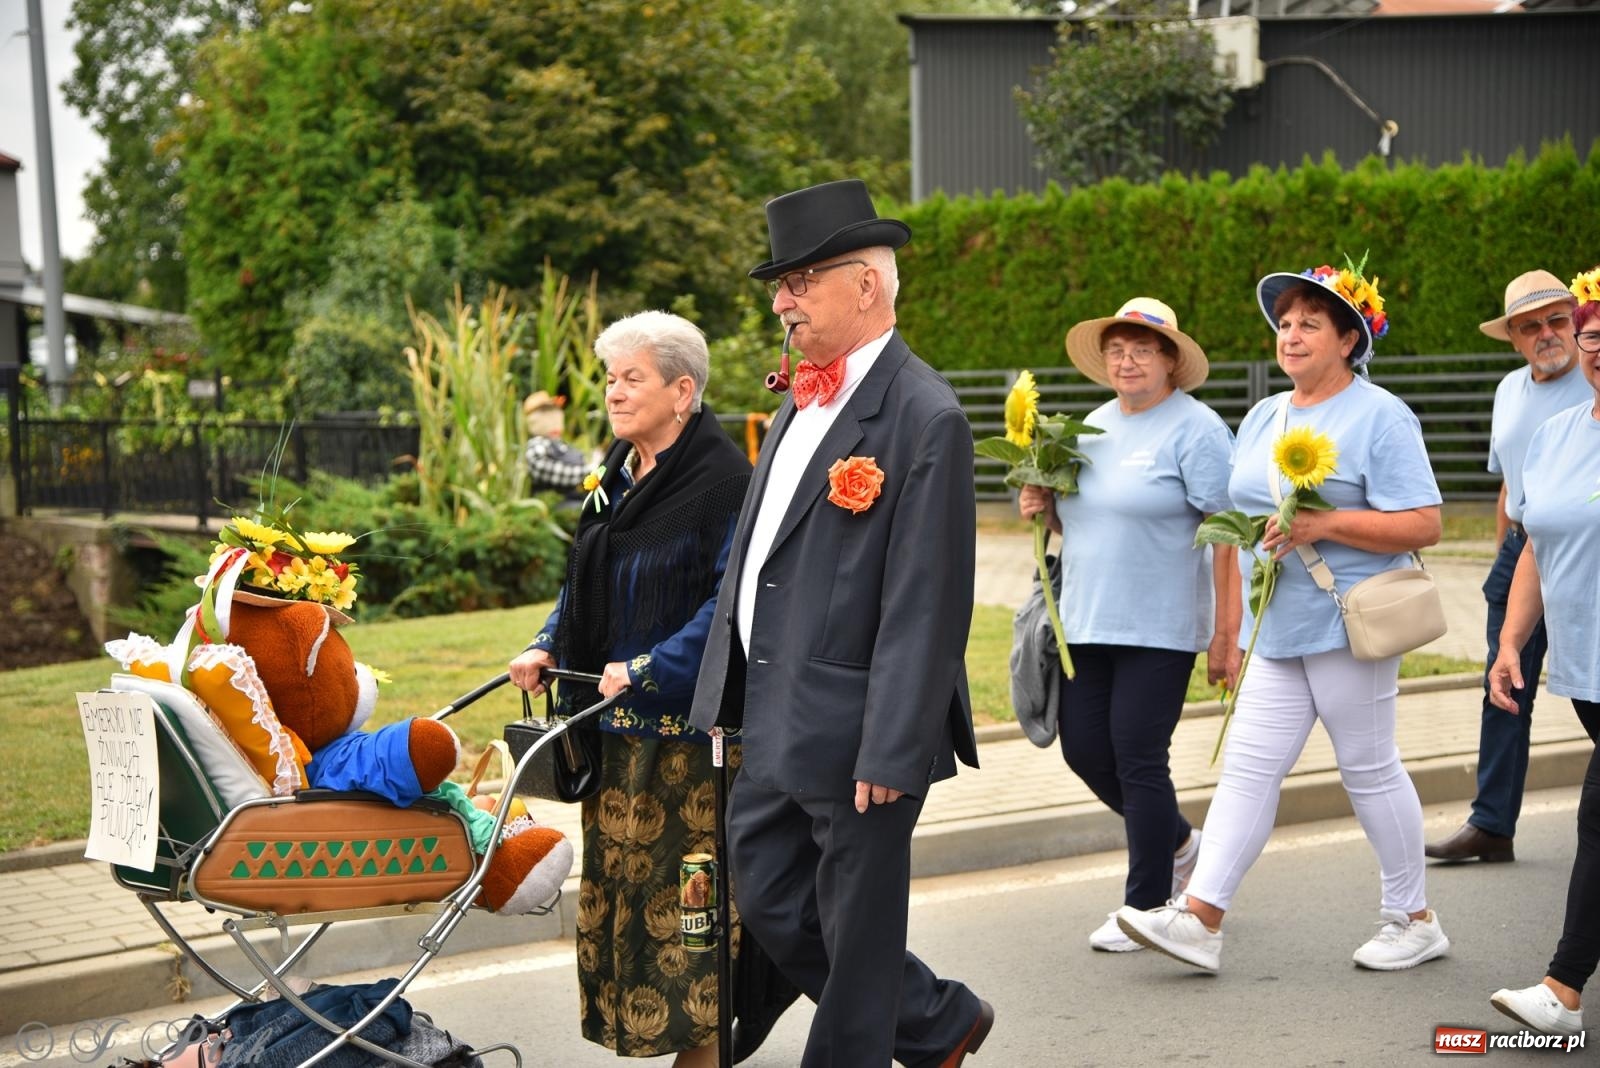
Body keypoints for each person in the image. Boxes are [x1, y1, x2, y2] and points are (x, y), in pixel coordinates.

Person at [688, 179, 993, 1067]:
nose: (782, 302)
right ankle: (938, 1022)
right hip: (774, 709)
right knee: (771, 897)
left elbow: (927, 601)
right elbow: (758, 556)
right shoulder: (798, 398)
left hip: (861, 726)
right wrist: (722, 690)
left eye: (800, 281)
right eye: (779, 285)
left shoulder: (926, 415)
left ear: (865, 284)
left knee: (858, 939)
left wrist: (894, 748)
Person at [1117, 260, 1450, 973]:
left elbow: (1425, 523)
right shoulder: (1267, 414)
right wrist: (1234, 622)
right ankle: (1201, 919)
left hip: (1348, 622)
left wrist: (1324, 524)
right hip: (1278, 625)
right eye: (1286, 323)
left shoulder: (1381, 415)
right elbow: (1242, 517)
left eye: (1310, 324)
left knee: (1368, 769)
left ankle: (1414, 918)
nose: (1290, 335)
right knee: (1247, 768)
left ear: (1349, 340)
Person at [508, 311, 751, 1066]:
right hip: (611, 729)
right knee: (620, 894)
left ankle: (701, 1053)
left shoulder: (725, 482)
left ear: (682, 391)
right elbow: (588, 576)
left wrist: (650, 668)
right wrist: (547, 642)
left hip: (687, 741)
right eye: (611, 378)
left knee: (688, 902)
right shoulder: (618, 471)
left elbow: (731, 604)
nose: (613, 392)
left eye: (631, 378)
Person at [1017, 297, 1238, 953]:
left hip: (1160, 627)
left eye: (1143, 349)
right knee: (1085, 751)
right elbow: (1083, 526)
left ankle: (1146, 906)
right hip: (1086, 622)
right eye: (1117, 349)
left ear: (1170, 360)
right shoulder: (1092, 425)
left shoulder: (1197, 430)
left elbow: (1229, 537)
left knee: (1139, 759)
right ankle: (1182, 845)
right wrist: (1044, 507)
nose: (1128, 360)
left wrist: (1226, 635)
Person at [1426, 270, 1588, 864]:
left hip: (1583, 552)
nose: (1546, 333)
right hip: (1523, 551)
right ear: (1514, 339)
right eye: (1530, 326)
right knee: (1503, 685)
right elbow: (1508, 485)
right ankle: (1492, 824)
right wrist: (1504, 554)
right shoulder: (1508, 393)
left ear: (1576, 322)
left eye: (1557, 320)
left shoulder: (1595, 377)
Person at [1486, 268, 1600, 1035]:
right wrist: (1510, 641)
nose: (1597, 346)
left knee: (1598, 820)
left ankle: (1563, 989)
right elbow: (1531, 543)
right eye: (1595, 337)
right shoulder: (1557, 435)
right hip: (1586, 666)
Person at [522, 390, 590, 494]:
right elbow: (548, 471)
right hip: (557, 502)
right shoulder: (537, 446)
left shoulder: (560, 444)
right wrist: (589, 471)